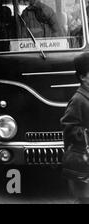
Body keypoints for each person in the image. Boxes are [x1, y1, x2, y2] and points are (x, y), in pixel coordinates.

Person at [61, 52, 89, 204]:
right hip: (83, 160)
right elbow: (68, 127)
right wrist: (84, 134)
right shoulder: (78, 99)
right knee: (84, 198)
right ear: (83, 77)